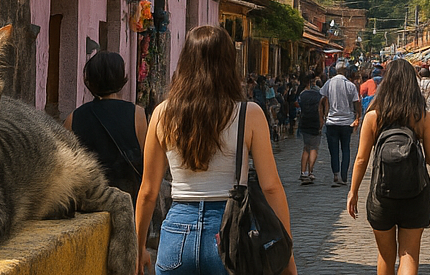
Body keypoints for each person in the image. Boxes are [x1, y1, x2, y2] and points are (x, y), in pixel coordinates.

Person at [135, 26, 297, 275]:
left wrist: (138, 248)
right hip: (229, 233)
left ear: (185, 62)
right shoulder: (249, 114)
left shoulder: (162, 114)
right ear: (229, 64)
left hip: (177, 233)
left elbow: (148, 191)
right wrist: (286, 251)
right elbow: (271, 187)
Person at [347, 59, 430, 275]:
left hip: (382, 195)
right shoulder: (422, 116)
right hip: (415, 193)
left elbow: (361, 159)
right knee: (409, 254)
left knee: (385, 256)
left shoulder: (373, 116)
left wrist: (353, 192)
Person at [64, 51, 147, 205]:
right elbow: (145, 163)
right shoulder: (138, 115)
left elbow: (67, 168)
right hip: (128, 202)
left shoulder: (73, 118)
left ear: (90, 79)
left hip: (89, 203)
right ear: (121, 78)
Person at [322, 62, 363, 187]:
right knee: (346, 149)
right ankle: (344, 176)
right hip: (346, 122)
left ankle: (336, 174)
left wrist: (324, 116)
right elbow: (357, 102)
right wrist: (358, 117)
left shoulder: (329, 83)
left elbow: (323, 99)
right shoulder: (350, 85)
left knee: (333, 150)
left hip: (332, 121)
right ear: (345, 71)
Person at [297, 73, 329, 185]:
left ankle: (303, 172)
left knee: (306, 148)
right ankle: (310, 172)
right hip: (315, 122)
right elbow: (323, 109)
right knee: (314, 148)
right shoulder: (320, 95)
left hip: (304, 122)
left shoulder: (303, 94)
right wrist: (323, 120)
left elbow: (298, 105)